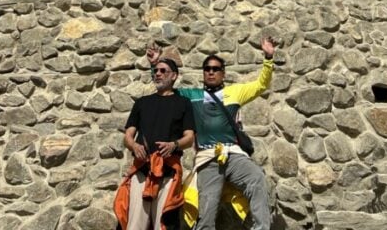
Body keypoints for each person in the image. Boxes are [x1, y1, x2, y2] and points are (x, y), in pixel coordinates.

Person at [147, 37, 277, 230]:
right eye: (207, 69)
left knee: (257, 178)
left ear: (223, 73)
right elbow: (166, 88)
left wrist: (268, 57)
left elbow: (261, 85)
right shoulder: (192, 96)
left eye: (215, 69)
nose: (211, 72)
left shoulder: (236, 92)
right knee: (206, 208)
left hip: (233, 154)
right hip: (208, 159)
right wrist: (156, 64)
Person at [114, 57, 196, 230]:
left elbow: (189, 138)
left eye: (163, 71)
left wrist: (174, 145)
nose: (157, 74)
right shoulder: (142, 102)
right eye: (155, 71)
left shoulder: (183, 103)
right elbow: (128, 135)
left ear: (174, 76)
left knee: (163, 225)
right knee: (134, 225)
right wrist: (134, 146)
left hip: (168, 173)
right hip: (142, 171)